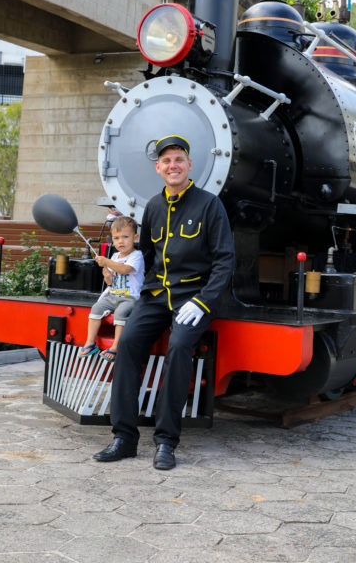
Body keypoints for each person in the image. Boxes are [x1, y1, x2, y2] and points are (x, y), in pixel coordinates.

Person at [94, 134, 235, 470]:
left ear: (189, 165)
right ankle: (124, 438)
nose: (173, 166)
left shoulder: (209, 205)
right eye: (166, 161)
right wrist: (118, 272)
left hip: (193, 298)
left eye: (179, 160)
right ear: (158, 169)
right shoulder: (154, 207)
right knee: (126, 345)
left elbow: (224, 260)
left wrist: (203, 302)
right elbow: (147, 256)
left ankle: (166, 442)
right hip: (156, 295)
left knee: (178, 349)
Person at [78, 216, 145, 362]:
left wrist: (106, 261)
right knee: (96, 309)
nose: (121, 241)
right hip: (114, 295)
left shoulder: (136, 256)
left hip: (130, 297)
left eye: (125, 237)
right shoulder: (115, 255)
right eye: (116, 238)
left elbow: (125, 269)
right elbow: (110, 281)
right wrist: (107, 275)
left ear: (135, 238)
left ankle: (116, 346)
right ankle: (90, 342)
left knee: (121, 313)